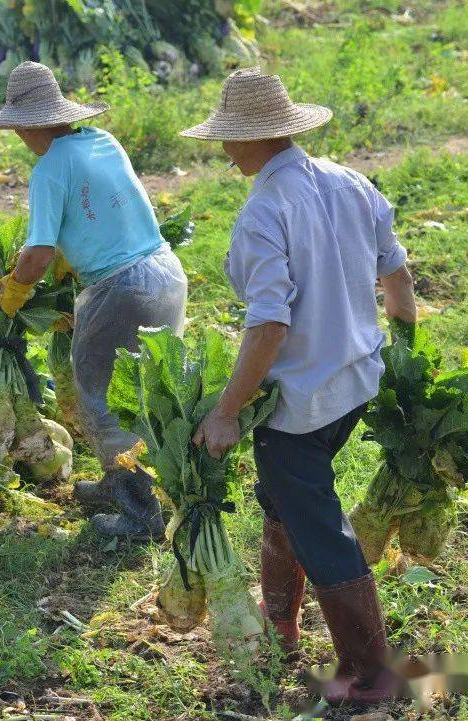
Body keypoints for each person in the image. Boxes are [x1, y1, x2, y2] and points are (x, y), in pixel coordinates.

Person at [180, 68, 417, 704]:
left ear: (254, 139)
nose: (225, 151)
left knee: (317, 522)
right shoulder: (350, 181)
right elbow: (397, 272)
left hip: (302, 403)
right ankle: (281, 624)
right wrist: (406, 349)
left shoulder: (264, 210)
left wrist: (228, 411)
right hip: (357, 380)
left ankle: (371, 677)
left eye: (228, 140)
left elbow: (268, 328)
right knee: (284, 498)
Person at [0, 61, 188, 538]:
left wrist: (13, 292)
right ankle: (122, 482)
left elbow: (39, 254)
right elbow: (104, 208)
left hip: (122, 287)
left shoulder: (48, 169)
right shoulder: (103, 140)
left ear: (23, 125)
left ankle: (140, 512)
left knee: (102, 399)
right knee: (146, 395)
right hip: (165, 273)